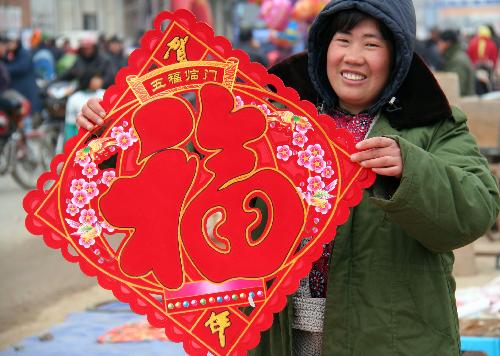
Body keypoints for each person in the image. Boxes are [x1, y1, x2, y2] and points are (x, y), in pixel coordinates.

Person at [77, 0, 499, 355]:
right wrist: (110, 141)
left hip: (390, 337)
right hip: (283, 334)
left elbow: (476, 209)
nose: (354, 56)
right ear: (322, 48)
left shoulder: (430, 125)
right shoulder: (275, 116)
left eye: (372, 44)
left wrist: (412, 169)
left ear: (397, 55)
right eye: (343, 40)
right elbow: (185, 171)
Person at [64, 70, 105, 142]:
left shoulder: (105, 93)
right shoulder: (75, 98)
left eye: (99, 78)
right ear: (87, 79)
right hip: (83, 139)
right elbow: (70, 124)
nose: (99, 80)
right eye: (95, 78)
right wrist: (72, 142)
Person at [437, 29, 476, 96]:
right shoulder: (454, 56)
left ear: (448, 43)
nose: (438, 45)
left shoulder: (457, 61)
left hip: (461, 104)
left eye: (440, 42)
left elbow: (458, 89)